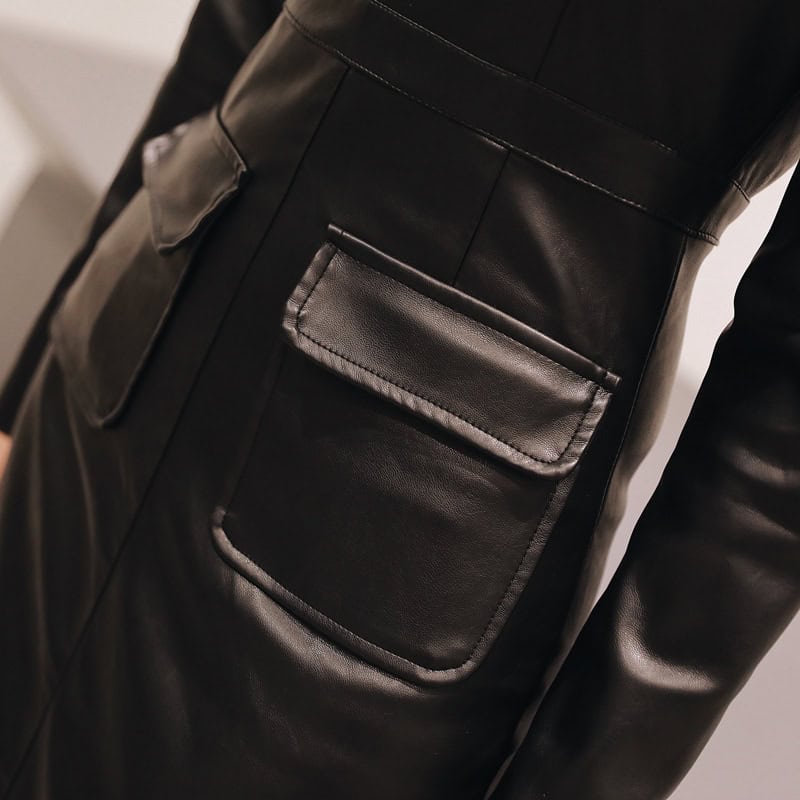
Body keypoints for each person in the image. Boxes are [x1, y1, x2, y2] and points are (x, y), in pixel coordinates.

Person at [0, 1, 798, 798]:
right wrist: (21, 397)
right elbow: (239, 24)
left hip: (389, 529)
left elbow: (781, 425)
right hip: (129, 356)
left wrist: (585, 780)